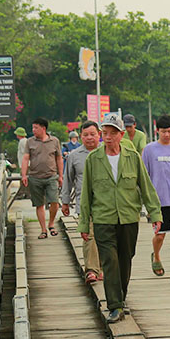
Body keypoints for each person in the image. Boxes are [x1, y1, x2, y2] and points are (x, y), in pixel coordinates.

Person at [79, 113, 163, 323]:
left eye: (112, 133)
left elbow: (146, 186)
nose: (108, 137)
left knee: (126, 258)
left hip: (128, 218)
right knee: (109, 261)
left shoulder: (132, 157)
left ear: (121, 134)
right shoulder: (94, 159)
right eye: (104, 133)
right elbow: (86, 194)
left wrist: (155, 213)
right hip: (103, 219)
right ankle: (114, 305)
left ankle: (121, 298)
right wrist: (83, 223)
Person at [142, 114, 170, 283]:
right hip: (157, 200)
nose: (167, 135)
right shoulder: (149, 149)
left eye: (169, 131)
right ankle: (157, 256)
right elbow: (144, 175)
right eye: (163, 132)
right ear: (157, 131)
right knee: (160, 235)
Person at [61, 120, 103, 284]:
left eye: (93, 134)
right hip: (84, 204)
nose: (89, 138)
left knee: (105, 237)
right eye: (86, 135)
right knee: (89, 236)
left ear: (99, 135)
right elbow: (68, 180)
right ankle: (91, 270)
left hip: (107, 204)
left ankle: (103, 268)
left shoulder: (107, 153)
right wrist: (65, 202)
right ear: (81, 137)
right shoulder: (74, 156)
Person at [21, 118, 63, 240]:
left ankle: (51, 224)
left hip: (51, 176)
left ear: (43, 128)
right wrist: (24, 175)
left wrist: (60, 175)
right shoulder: (30, 142)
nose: (33, 130)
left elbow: (59, 158)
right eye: (33, 128)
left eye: (36, 128)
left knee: (54, 202)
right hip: (35, 177)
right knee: (39, 204)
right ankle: (43, 229)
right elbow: (25, 158)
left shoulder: (54, 141)